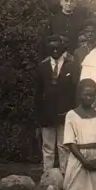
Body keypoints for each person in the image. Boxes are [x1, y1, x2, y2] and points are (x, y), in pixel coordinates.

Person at [34, 35, 77, 174]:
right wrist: (39, 117)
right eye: (51, 48)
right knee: (48, 146)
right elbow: (38, 93)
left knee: (64, 146)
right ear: (47, 49)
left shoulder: (71, 66)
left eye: (58, 48)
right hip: (47, 114)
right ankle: (47, 176)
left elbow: (74, 91)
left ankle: (65, 176)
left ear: (63, 48)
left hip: (64, 113)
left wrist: (71, 112)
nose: (55, 51)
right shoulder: (42, 66)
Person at [62, 79, 96, 190]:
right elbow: (70, 143)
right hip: (80, 156)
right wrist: (85, 162)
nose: (89, 98)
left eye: (92, 95)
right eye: (86, 94)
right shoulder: (71, 115)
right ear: (80, 95)